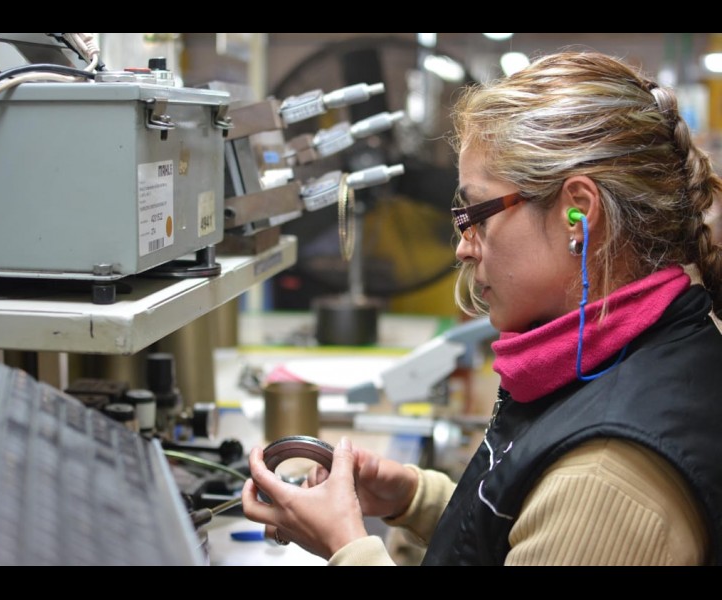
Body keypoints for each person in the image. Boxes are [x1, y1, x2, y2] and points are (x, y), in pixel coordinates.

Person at [241, 51, 722, 566]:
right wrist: (418, 501)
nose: (462, 247)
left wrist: (347, 547)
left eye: (478, 215)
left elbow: (577, 510)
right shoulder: (630, 356)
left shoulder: (607, 480)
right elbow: (531, 529)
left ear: (577, 215)